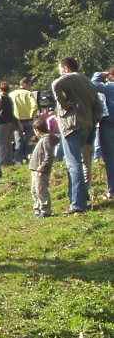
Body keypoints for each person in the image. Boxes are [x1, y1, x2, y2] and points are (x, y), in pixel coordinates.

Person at [52, 57, 101, 214]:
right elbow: (98, 107)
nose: (60, 72)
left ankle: (77, 204)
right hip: (85, 126)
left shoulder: (69, 78)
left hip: (71, 125)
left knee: (73, 164)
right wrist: (91, 121)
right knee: (77, 163)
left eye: (60, 69)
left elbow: (55, 84)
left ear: (66, 68)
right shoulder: (88, 82)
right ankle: (79, 197)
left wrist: (63, 105)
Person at [91, 67, 114, 199]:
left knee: (110, 159)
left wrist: (101, 74)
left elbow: (93, 84)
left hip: (108, 125)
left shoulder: (110, 87)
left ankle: (112, 190)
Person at [29, 118, 59, 218]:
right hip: (35, 169)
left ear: (37, 130)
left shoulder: (46, 139)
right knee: (34, 190)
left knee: (41, 190)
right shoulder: (42, 139)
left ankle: (46, 210)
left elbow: (48, 155)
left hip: (40, 170)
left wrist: (43, 166)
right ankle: (37, 209)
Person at [10, 77, 38, 163]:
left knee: (18, 141)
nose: (30, 87)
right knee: (29, 141)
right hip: (28, 120)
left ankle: (18, 161)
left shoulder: (11, 94)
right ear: (24, 84)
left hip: (17, 121)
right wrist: (32, 117)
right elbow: (35, 106)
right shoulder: (28, 93)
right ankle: (29, 158)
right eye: (29, 85)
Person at [0, 82, 18, 167]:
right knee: (8, 144)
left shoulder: (0, 98)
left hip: (2, 122)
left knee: (1, 143)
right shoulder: (9, 98)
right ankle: (9, 161)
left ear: (0, 89)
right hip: (10, 122)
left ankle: (3, 163)